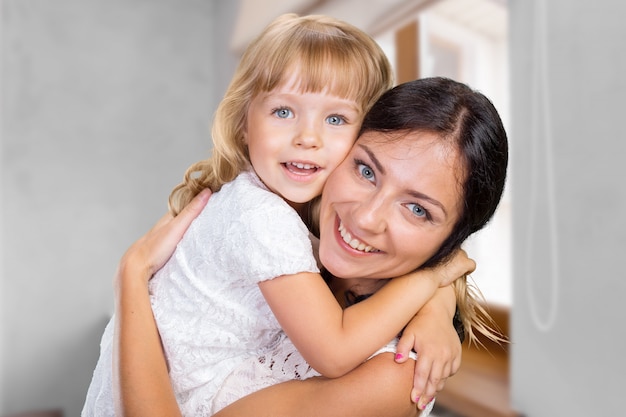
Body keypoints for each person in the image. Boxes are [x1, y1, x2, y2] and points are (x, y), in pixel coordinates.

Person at [82, 14, 471, 417]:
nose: (308, 137)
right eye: (284, 111)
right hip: (171, 391)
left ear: (362, 137)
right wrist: (433, 278)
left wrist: (437, 307)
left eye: (335, 119)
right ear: (244, 123)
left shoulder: (294, 207)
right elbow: (333, 351)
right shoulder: (260, 215)